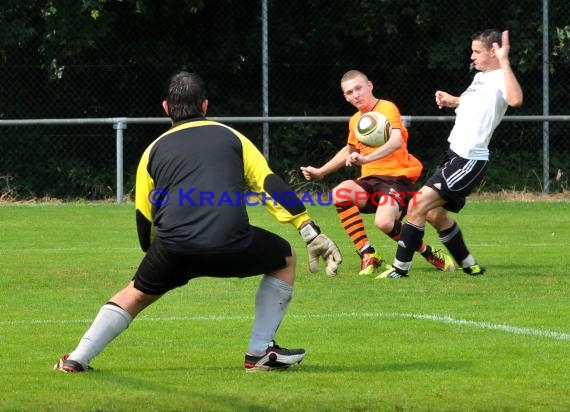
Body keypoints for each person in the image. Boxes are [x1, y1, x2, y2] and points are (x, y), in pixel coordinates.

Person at [54, 71, 342, 373]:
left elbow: (144, 216)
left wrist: (155, 256)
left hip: (173, 247)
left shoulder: (152, 151)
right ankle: (259, 352)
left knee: (135, 294)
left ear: (166, 108)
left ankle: (77, 358)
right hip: (232, 241)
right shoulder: (233, 137)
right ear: (205, 106)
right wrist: (309, 231)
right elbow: (271, 186)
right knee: (285, 256)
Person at [378, 29, 523, 279]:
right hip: (453, 155)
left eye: (477, 51)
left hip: (469, 159)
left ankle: (399, 270)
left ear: (493, 51)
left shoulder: (501, 76)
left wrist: (505, 60)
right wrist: (452, 100)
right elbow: (475, 105)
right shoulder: (481, 78)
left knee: (416, 205)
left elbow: (515, 99)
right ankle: (470, 265)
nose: (472, 56)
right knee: (434, 214)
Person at [300, 70, 454, 276]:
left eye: (358, 88)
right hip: (370, 180)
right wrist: (320, 172)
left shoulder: (386, 108)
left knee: (383, 222)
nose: (355, 94)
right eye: (349, 92)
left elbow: (396, 140)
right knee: (340, 193)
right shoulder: (355, 120)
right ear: (345, 97)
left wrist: (366, 159)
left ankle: (427, 252)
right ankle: (367, 254)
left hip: (397, 179)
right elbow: (350, 150)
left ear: (370, 86)